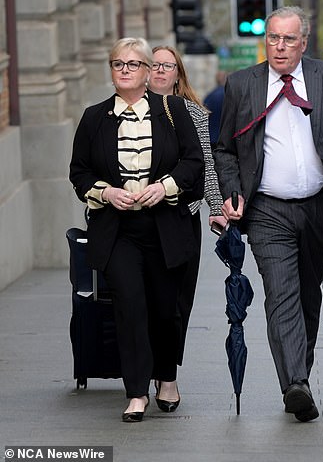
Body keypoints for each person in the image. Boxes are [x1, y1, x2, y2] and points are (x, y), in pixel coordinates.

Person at [213, 6, 323, 422]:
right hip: (267, 208)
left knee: (307, 295)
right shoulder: (242, 84)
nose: (279, 47)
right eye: (272, 38)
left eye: (288, 39)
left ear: (304, 42)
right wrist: (231, 192)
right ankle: (296, 384)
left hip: (320, 204)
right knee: (280, 292)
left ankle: (299, 368)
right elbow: (225, 149)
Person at [69, 37, 204, 422]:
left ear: (148, 72)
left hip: (164, 227)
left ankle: (166, 376)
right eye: (117, 64)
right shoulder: (94, 117)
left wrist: (164, 187)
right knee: (130, 305)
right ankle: (135, 392)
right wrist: (106, 192)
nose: (124, 70)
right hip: (117, 230)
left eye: (133, 64)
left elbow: (194, 162)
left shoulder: (173, 110)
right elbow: (78, 172)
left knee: (166, 309)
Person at [148, 45, 225, 412]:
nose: (161, 70)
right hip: (137, 220)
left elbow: (206, 164)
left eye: (168, 65)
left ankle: (167, 377)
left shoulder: (194, 113)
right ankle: (146, 371)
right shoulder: (125, 112)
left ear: (178, 73)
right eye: (155, 64)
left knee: (178, 304)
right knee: (143, 301)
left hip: (180, 217)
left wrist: (215, 207)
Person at [203, 70, 228, 148]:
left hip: (211, 137)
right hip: (225, 138)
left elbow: (204, 114)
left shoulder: (210, 96)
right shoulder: (229, 95)